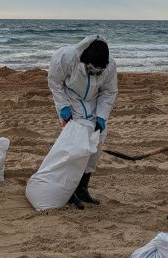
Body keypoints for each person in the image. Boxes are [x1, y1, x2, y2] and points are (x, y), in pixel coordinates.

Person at [47, 35, 118, 208]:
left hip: (94, 104)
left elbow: (109, 92)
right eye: (92, 69)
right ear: (84, 60)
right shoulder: (66, 57)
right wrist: (63, 106)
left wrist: (102, 116)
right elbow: (55, 81)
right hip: (71, 100)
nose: (96, 73)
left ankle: (82, 188)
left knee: (95, 145)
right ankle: (69, 190)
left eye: (99, 71)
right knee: (75, 146)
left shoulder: (110, 66)